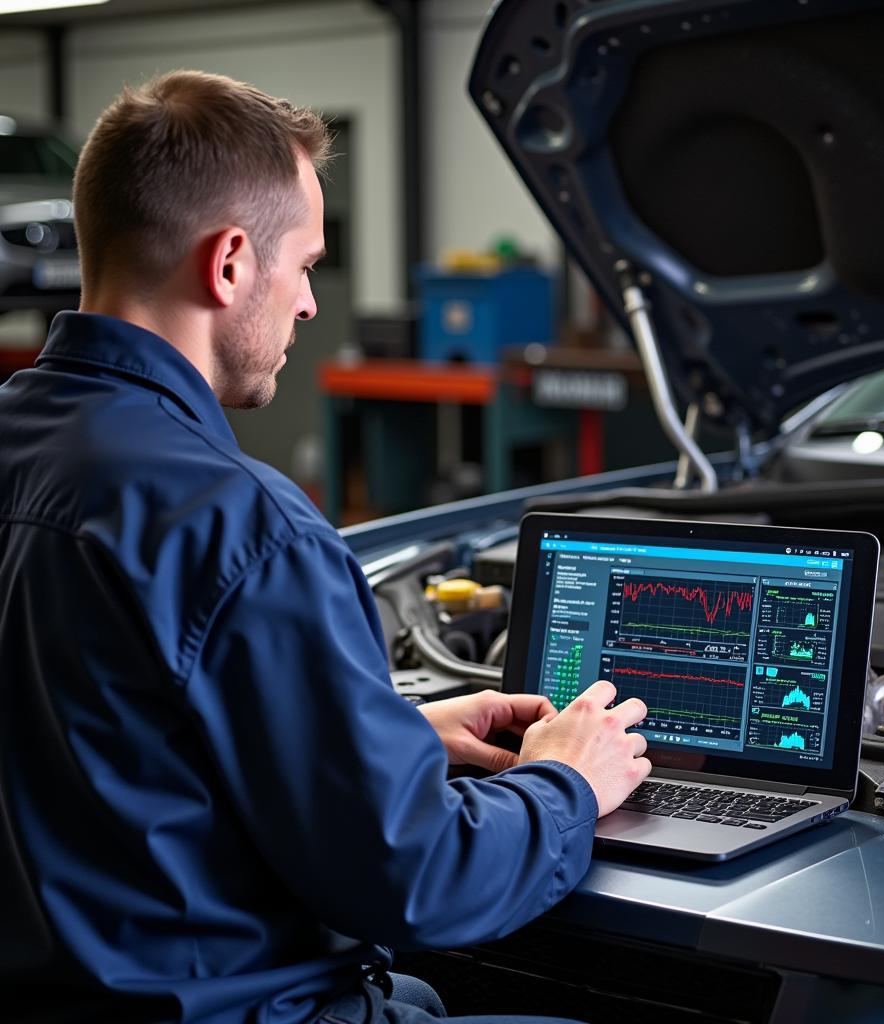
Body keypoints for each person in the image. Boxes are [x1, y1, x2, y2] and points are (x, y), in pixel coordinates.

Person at [0, 71, 651, 1024]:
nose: (309, 303)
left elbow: (99, 746)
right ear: (227, 265)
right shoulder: (243, 526)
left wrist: (391, 743)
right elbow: (421, 882)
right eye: (305, 264)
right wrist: (568, 781)